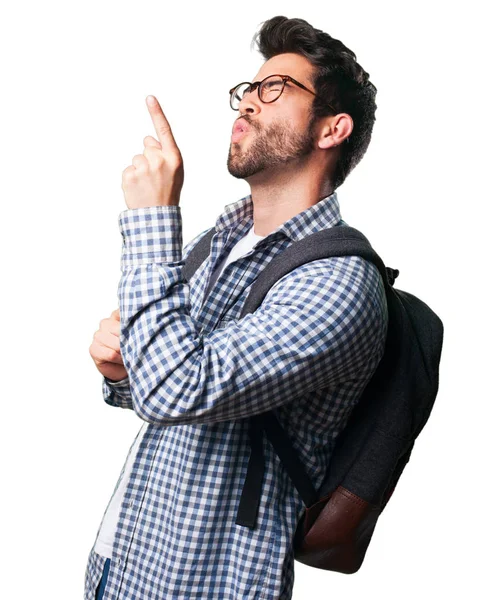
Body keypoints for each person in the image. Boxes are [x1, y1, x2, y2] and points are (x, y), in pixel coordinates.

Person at [84, 15, 388, 600]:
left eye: (275, 88)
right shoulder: (221, 237)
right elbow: (156, 385)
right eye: (248, 89)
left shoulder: (339, 283)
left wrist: (151, 219)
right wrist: (120, 371)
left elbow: (180, 388)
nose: (248, 102)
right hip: (125, 559)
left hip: (202, 580)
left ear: (332, 129)